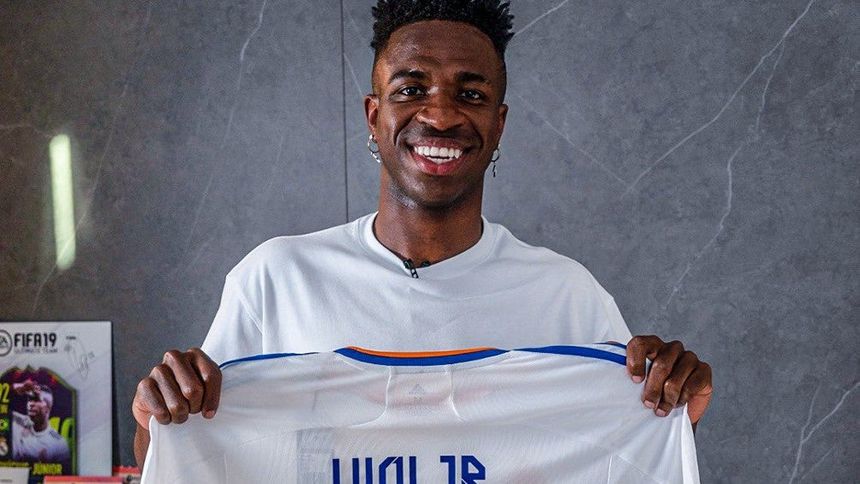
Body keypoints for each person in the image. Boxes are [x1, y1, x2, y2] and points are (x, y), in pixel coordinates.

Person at [132, 0, 713, 468]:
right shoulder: (277, 279)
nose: (440, 115)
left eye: (471, 94)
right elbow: (191, 459)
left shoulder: (565, 294)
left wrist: (672, 405)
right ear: (374, 115)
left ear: (498, 125)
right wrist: (155, 416)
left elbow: (624, 457)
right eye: (411, 89)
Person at [11, 380, 70, 462]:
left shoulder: (59, 444)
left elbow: (64, 469)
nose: (31, 404)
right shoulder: (16, 421)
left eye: (36, 400)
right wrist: (17, 387)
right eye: (30, 399)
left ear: (48, 407)